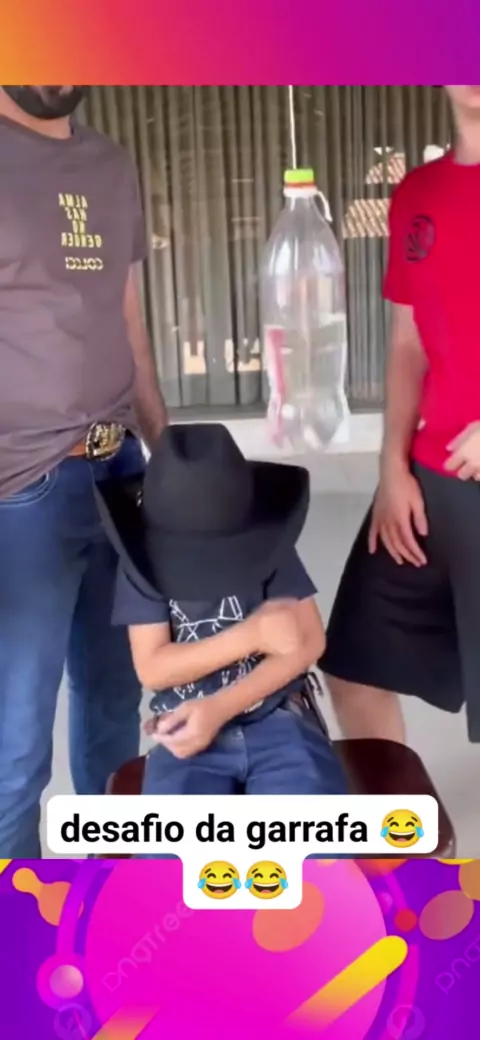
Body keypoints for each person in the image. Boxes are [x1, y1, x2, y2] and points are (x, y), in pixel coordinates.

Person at [0, 86, 167, 857]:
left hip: (118, 473)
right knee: (15, 743)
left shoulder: (109, 163)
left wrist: (169, 453)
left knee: (113, 711)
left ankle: (108, 897)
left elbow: (128, 320)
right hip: (19, 491)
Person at [321, 85, 480, 746]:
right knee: (353, 669)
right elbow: (409, 341)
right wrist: (390, 464)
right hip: (427, 478)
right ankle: (407, 817)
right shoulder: (418, 193)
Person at [95, 423, 348, 796]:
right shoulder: (141, 563)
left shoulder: (268, 544)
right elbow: (153, 668)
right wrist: (253, 636)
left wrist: (219, 708)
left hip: (279, 718)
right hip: (184, 731)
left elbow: (309, 641)